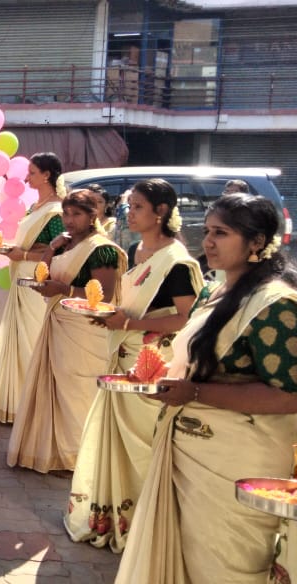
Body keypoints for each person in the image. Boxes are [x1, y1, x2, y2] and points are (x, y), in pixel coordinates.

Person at [116, 194, 297, 583]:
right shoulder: (217, 291)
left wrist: (196, 394)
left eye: (222, 233)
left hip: (236, 460)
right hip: (190, 448)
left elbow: (290, 396)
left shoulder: (276, 304)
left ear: (257, 243)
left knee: (224, 564)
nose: (209, 241)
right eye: (208, 231)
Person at [65, 179, 202, 552]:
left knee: (144, 444)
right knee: (117, 443)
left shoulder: (176, 262)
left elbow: (189, 320)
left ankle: (147, 523)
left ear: (161, 212)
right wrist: (108, 315)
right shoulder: (136, 250)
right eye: (129, 206)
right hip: (122, 356)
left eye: (138, 206)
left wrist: (128, 324)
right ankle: (111, 516)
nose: (130, 213)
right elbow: (125, 305)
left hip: (153, 366)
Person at [6, 189, 127, 473]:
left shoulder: (102, 250)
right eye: (66, 214)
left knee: (76, 392)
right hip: (57, 321)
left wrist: (64, 290)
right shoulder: (65, 245)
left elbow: (106, 295)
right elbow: (42, 274)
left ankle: (77, 457)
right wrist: (50, 249)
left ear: (92, 216)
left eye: (77, 214)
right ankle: (53, 453)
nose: (69, 220)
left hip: (84, 330)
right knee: (55, 389)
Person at [0, 152, 66, 422]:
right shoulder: (37, 207)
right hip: (22, 273)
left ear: (47, 175)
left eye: (32, 173)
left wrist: (23, 256)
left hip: (37, 278)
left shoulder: (56, 210)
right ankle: (15, 402)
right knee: (17, 338)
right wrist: (12, 251)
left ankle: (33, 405)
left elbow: (57, 250)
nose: (27, 177)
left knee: (31, 339)